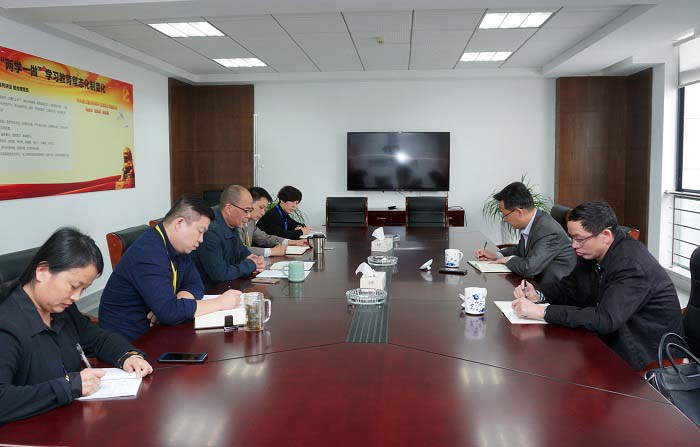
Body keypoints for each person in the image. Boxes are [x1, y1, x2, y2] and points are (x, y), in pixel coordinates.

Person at [0, 228, 153, 424]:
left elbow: (97, 339)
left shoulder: (61, 309)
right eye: (73, 286)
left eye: (83, 289)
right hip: (27, 431)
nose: (76, 297)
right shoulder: (7, 325)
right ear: (42, 271)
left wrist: (128, 355)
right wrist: (69, 386)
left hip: (67, 422)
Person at [511, 201, 683, 370]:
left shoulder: (631, 265)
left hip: (646, 358)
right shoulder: (591, 252)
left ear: (606, 235)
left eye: (579, 239)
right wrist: (538, 294)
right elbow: (569, 288)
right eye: (572, 238)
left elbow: (605, 319)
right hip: (609, 342)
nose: (573, 245)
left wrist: (542, 312)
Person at [99, 193, 242, 341]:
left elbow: (195, 284)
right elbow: (169, 312)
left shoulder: (179, 246)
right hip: (131, 341)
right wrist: (219, 303)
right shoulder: (148, 253)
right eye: (200, 232)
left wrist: (178, 303)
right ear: (179, 223)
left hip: (159, 330)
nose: (201, 240)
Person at [475, 182, 576, 283]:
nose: (505, 219)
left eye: (505, 215)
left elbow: (529, 267)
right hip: (535, 283)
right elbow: (521, 250)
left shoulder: (548, 231)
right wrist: (497, 255)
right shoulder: (534, 222)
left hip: (553, 288)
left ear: (519, 212)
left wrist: (509, 260)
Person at [193, 185, 266, 288]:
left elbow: (241, 251)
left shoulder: (231, 223)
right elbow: (220, 274)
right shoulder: (210, 229)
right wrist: (251, 265)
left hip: (227, 286)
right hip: (207, 291)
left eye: (250, 211)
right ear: (228, 208)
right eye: (246, 211)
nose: (249, 215)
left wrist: (253, 258)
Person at [240, 186, 309, 257]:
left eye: (296, 203)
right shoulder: (237, 223)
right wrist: (271, 251)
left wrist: (294, 242)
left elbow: (265, 238)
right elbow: (240, 249)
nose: (263, 213)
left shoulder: (250, 222)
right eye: (261, 207)